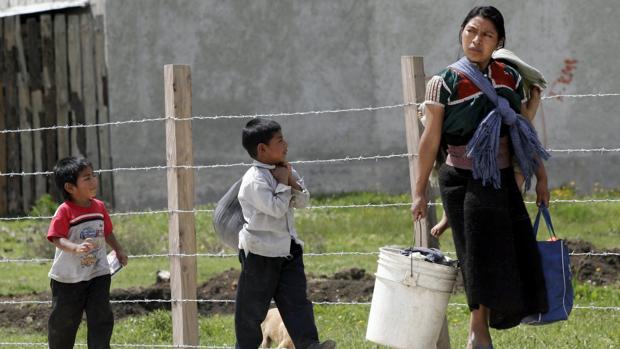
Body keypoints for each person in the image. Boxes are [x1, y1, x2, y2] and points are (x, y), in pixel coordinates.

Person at [411, 6, 549, 349]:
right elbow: (430, 141)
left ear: (499, 41)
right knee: (475, 253)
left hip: (501, 178)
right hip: (461, 178)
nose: (477, 40)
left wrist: (541, 177)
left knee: (511, 250)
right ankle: (478, 330)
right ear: (461, 32)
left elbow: (522, 132)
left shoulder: (510, 78)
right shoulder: (443, 83)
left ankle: (497, 320)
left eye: (487, 35)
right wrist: (419, 192)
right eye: (471, 31)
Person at [235, 118, 336, 349]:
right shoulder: (254, 180)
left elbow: (302, 201)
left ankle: (309, 345)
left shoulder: (283, 170)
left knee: (297, 303)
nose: (286, 144)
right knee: (252, 310)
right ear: (262, 149)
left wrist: (289, 179)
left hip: (288, 251)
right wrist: (282, 184)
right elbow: (277, 209)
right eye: (280, 141)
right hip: (261, 254)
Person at [47, 157, 128, 349]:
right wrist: (75, 248)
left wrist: (118, 249)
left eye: (93, 175)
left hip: (98, 274)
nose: (93, 181)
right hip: (68, 280)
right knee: (63, 324)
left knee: (101, 318)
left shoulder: (99, 207)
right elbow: (56, 237)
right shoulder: (64, 211)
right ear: (70, 187)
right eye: (86, 178)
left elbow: (107, 231)